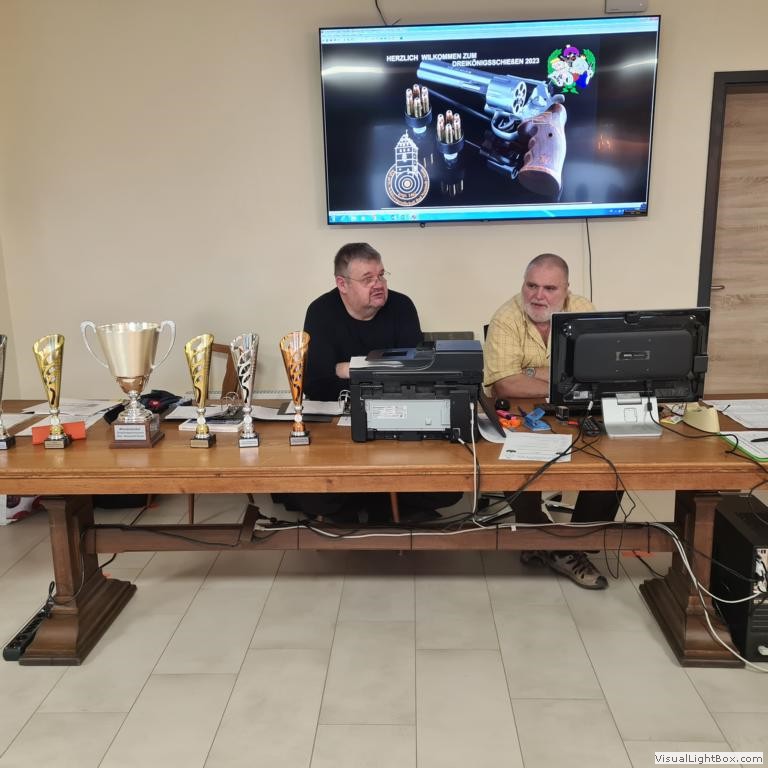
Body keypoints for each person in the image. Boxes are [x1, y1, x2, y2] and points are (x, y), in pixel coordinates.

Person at [289, 242, 461, 522]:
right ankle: (376, 502)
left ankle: (379, 503)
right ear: (342, 284)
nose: (378, 284)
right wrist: (383, 371)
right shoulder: (321, 311)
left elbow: (414, 373)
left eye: (381, 275)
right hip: (338, 425)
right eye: (367, 279)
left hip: (396, 417)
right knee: (314, 494)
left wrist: (348, 369)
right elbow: (317, 384)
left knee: (450, 487)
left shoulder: (402, 306)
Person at [483, 253, 622, 589]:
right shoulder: (506, 317)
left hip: (576, 410)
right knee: (514, 456)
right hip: (517, 411)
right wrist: (563, 379)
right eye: (531, 286)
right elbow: (505, 384)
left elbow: (596, 371)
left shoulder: (583, 310)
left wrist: (531, 372)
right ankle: (542, 537)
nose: (538, 296)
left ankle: (574, 543)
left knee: (613, 457)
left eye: (549, 288)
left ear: (566, 289)